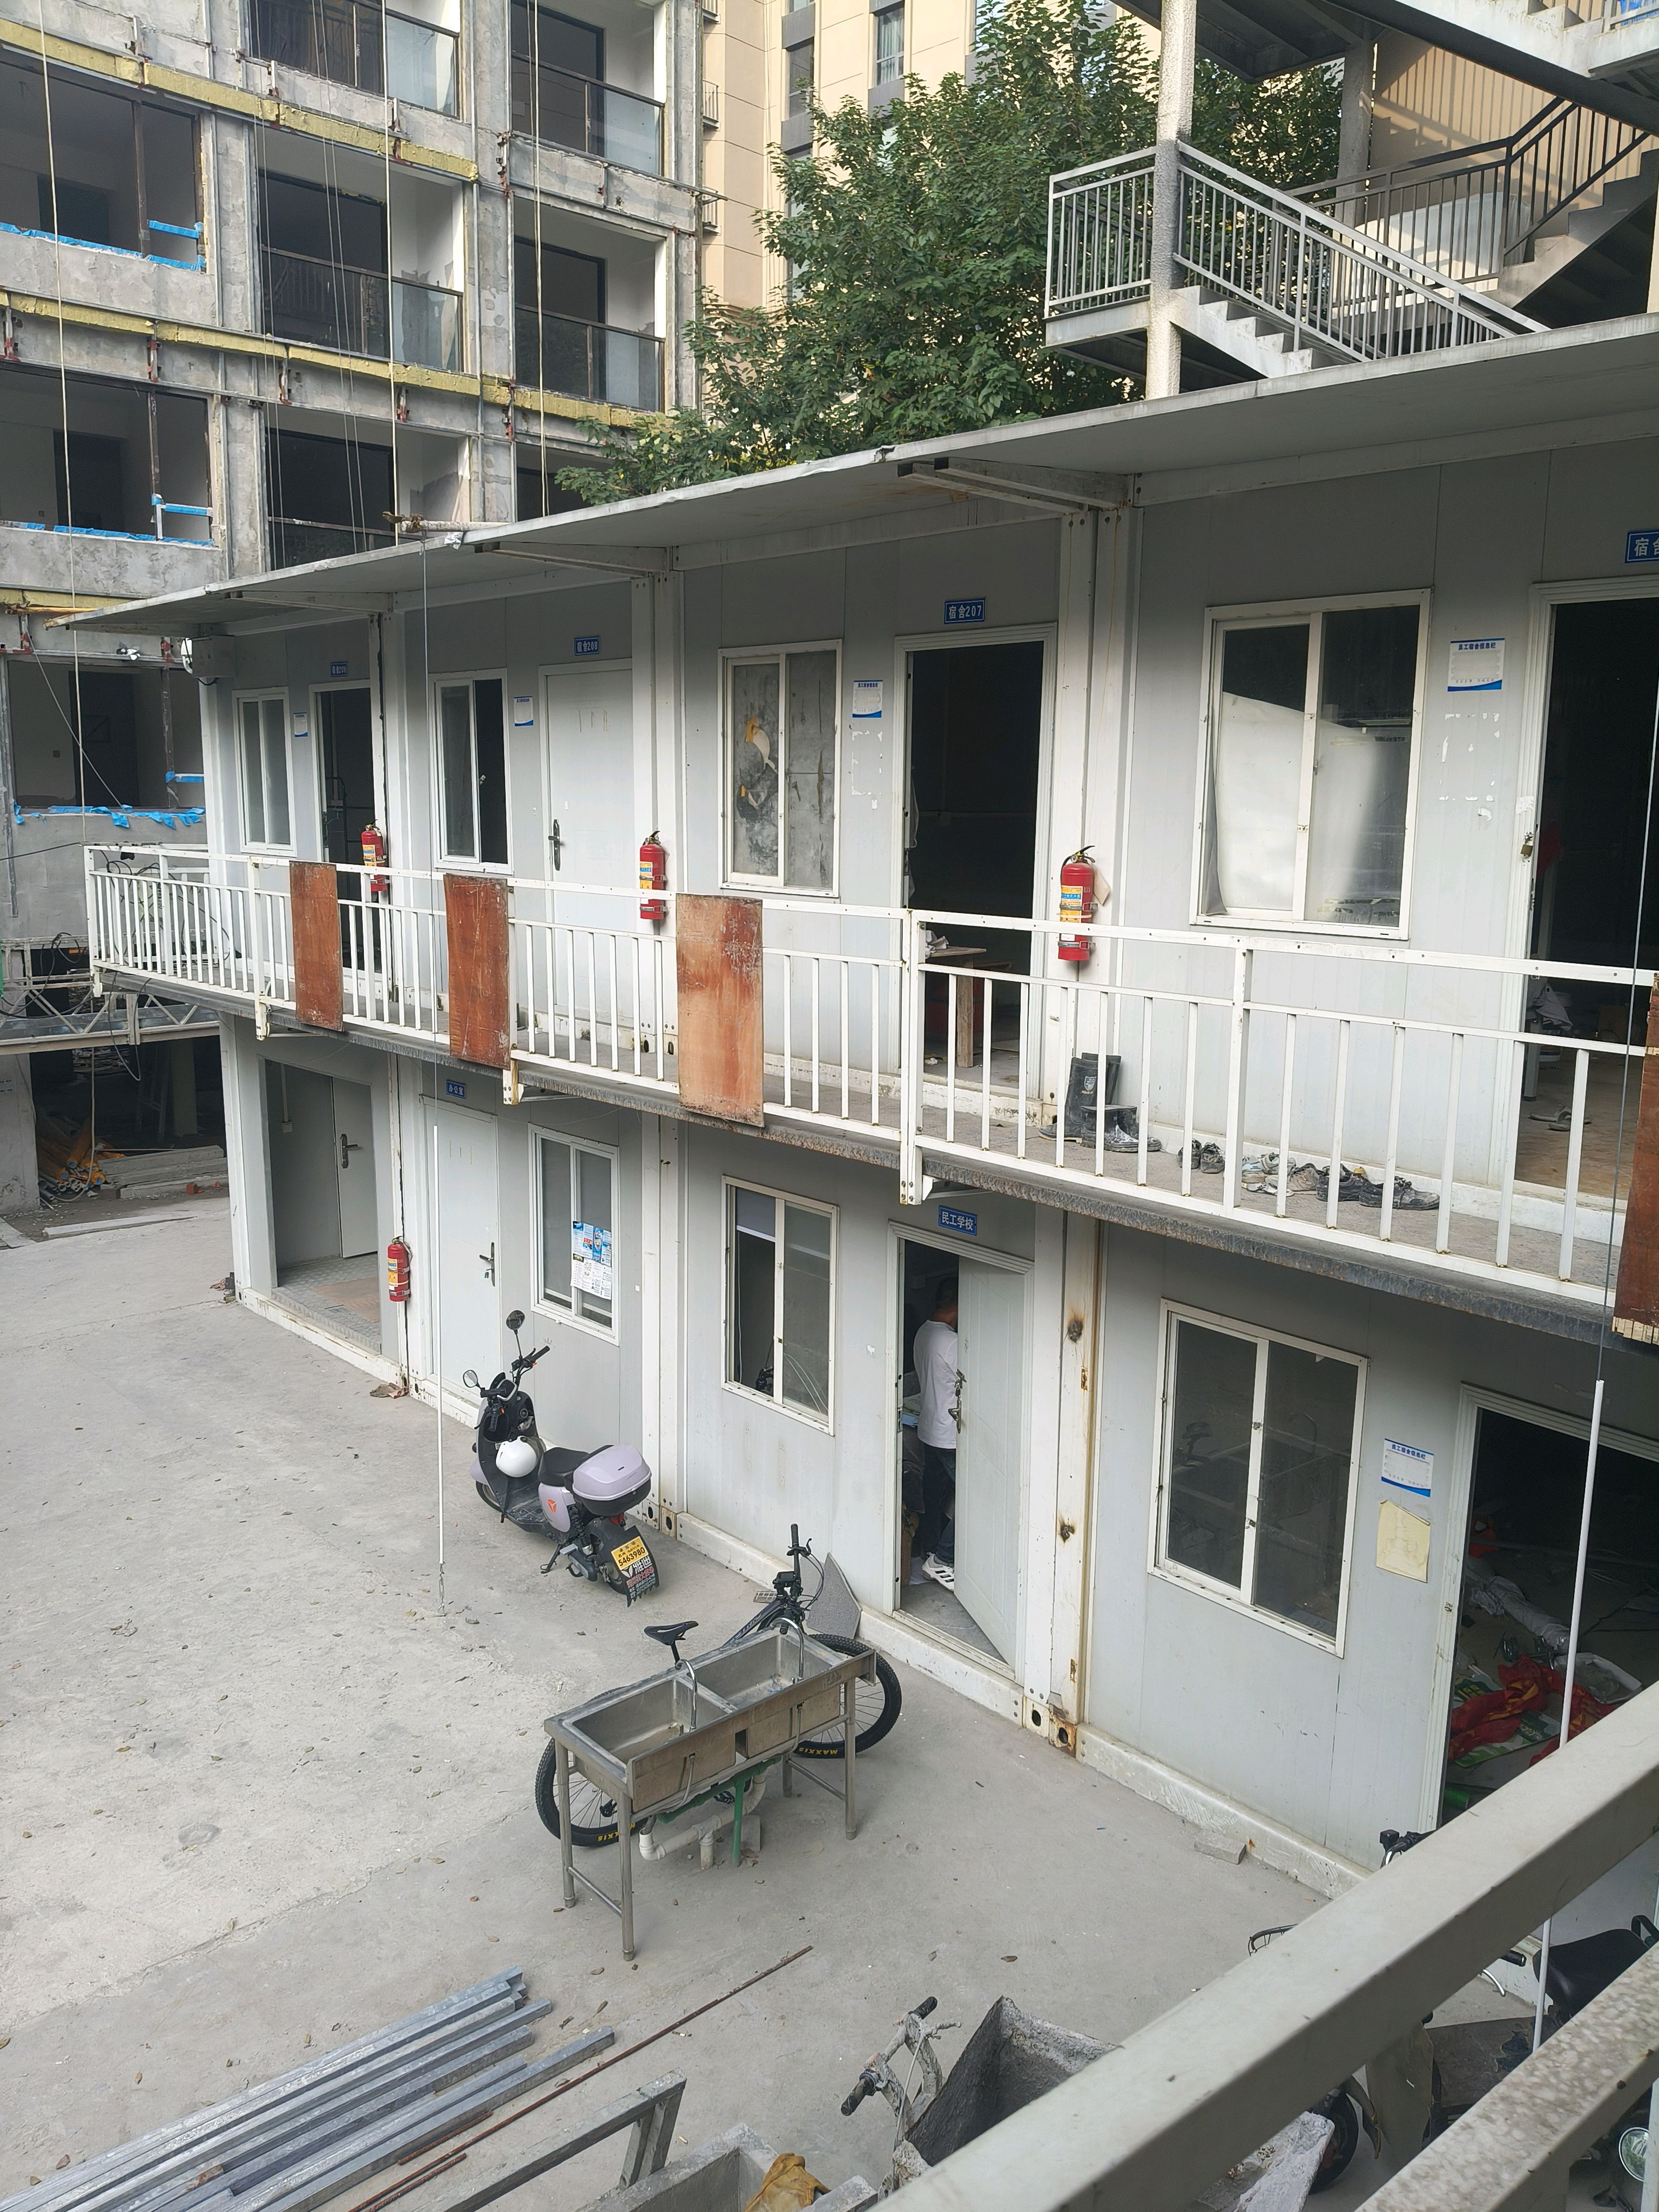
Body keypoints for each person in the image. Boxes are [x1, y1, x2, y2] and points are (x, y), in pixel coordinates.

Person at [911, 1279, 958, 1588]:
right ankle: (942, 1560)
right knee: (973, 1498)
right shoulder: (952, 1343)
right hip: (949, 1434)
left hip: (928, 1427)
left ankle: (929, 1549)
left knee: (934, 1494)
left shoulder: (923, 1332)